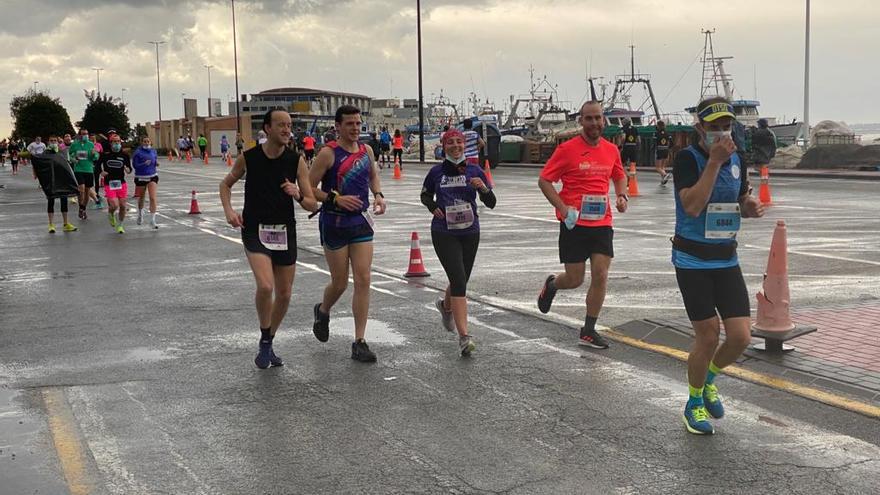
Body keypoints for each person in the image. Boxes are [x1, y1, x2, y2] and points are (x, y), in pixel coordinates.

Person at [672, 97, 765, 435]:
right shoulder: (688, 159)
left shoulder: (737, 158)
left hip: (726, 258)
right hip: (692, 260)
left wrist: (749, 205)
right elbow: (693, 207)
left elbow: (739, 197)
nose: (722, 132)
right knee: (708, 335)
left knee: (740, 337)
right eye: (714, 127)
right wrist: (713, 162)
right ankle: (693, 403)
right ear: (700, 128)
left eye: (726, 125)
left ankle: (708, 380)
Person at [220, 109, 318, 369]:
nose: (287, 130)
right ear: (267, 128)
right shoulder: (249, 158)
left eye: (289, 125)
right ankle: (266, 339)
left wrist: (297, 194)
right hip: (255, 229)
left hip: (285, 230)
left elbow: (310, 204)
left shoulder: (296, 161)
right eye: (281, 125)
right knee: (266, 286)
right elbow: (225, 185)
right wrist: (229, 211)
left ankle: (267, 341)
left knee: (284, 294)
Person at [536, 100, 628, 348]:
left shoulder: (611, 150)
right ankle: (553, 284)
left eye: (598, 118)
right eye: (589, 119)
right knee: (575, 279)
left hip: (601, 222)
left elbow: (619, 175)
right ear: (581, 122)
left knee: (601, 274)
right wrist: (563, 210)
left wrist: (622, 195)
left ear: (603, 120)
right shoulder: (567, 150)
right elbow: (545, 181)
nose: (595, 123)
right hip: (574, 224)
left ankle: (588, 329)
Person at [309, 105, 387, 363]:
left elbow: (373, 176)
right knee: (340, 282)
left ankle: (360, 341)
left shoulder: (366, 151)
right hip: (335, 224)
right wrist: (336, 198)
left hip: (361, 224)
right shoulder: (328, 154)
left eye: (358, 123)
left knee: (363, 279)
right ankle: (323, 310)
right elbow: (308, 189)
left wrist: (378, 195)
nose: (355, 128)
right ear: (338, 126)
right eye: (350, 124)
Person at [421, 128, 496, 356]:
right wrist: (433, 207)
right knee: (459, 281)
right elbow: (425, 195)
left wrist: (482, 189)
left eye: (459, 142)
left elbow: (491, 202)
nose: (455, 146)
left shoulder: (474, 170)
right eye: (450, 143)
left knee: (460, 277)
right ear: (444, 147)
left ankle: (446, 307)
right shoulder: (436, 172)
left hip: (470, 231)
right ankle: (465, 337)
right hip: (444, 232)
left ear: (465, 145)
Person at [34, 136, 78, 233]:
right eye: (51, 141)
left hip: (62, 180)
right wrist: (37, 174)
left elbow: (67, 165)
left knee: (64, 200)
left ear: (58, 142)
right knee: (51, 201)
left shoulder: (61, 152)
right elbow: (38, 163)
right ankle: (51, 224)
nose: (53, 142)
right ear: (48, 142)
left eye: (55, 141)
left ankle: (66, 224)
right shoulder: (45, 153)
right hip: (51, 180)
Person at [97, 133, 133, 234]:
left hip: (121, 183)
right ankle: (111, 213)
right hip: (110, 183)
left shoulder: (124, 155)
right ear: (111, 143)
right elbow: (97, 165)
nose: (117, 143)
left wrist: (128, 170)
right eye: (114, 142)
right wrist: (101, 172)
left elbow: (130, 169)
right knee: (114, 205)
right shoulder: (105, 154)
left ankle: (120, 225)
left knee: (123, 206)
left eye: (118, 142)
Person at [68, 128, 99, 219]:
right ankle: (80, 207)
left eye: (86, 134)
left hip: (89, 169)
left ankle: (83, 208)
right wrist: (73, 159)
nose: (85, 135)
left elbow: (96, 157)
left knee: (87, 191)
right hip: (78, 169)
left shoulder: (90, 144)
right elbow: (70, 154)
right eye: (83, 134)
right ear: (79, 135)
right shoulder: (75, 144)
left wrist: (94, 154)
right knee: (81, 189)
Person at [133, 136, 160, 229]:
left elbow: (155, 160)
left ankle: (153, 220)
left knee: (152, 197)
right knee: (142, 197)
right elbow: (135, 165)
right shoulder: (138, 152)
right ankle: (140, 214)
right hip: (141, 177)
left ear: (150, 142)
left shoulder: (153, 151)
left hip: (152, 175)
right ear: (142, 143)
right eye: (144, 141)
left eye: (148, 141)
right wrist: (144, 164)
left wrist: (156, 163)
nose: (146, 143)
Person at [654, 120, 672, 185]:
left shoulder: (656, 133)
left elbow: (655, 142)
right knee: (662, 167)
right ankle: (663, 180)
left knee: (658, 167)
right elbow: (670, 143)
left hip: (659, 150)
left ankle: (665, 175)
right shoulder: (668, 133)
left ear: (658, 126)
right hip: (666, 150)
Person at [91, 134, 105, 208]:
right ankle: (91, 193)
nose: (93, 139)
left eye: (94, 138)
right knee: (91, 179)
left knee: (97, 179)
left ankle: (97, 192)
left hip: (98, 163)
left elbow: (102, 153)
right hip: (91, 163)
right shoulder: (89, 145)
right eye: (91, 138)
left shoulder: (99, 145)